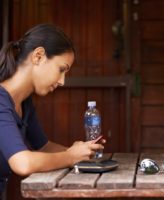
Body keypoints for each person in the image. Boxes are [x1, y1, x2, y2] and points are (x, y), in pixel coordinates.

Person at [0, 24, 105, 197]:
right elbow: (23, 163)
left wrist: (82, 152)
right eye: (61, 69)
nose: (62, 81)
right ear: (38, 56)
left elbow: (44, 147)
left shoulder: (24, 103)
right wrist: (71, 157)